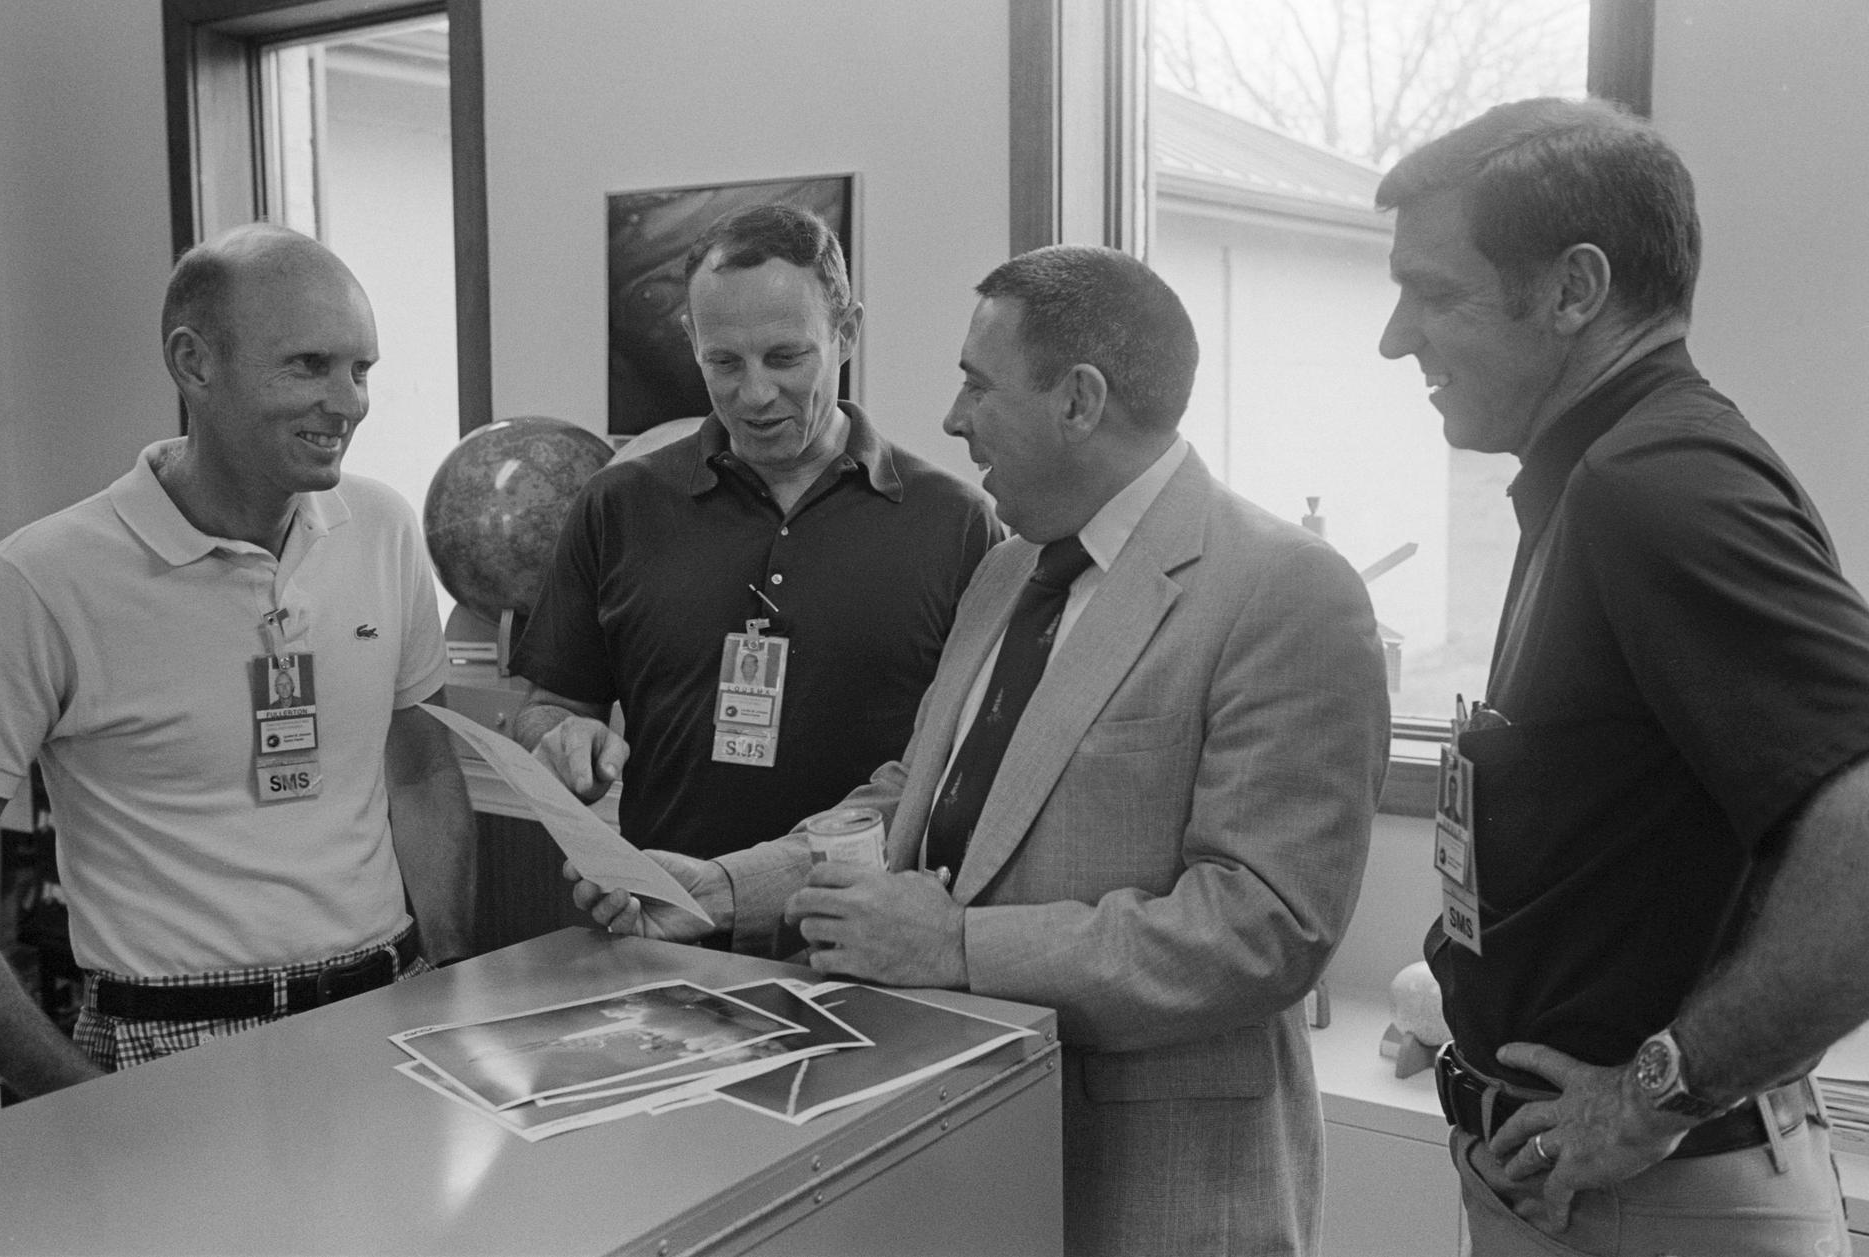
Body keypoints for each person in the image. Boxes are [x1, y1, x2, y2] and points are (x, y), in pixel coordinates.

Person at [576, 244, 1390, 1256]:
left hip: (1154, 1180)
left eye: (976, 383)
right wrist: (725, 887)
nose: (954, 420)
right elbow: (908, 798)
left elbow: (1263, 929)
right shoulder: (1010, 571)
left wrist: (958, 948)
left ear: (1080, 401)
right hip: (966, 1149)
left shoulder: (1285, 590)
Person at [1377, 97, 1869, 1255]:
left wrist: (1659, 1092)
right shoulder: (1606, 475)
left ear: (1575, 289)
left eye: (1434, 292)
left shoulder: (1658, 482)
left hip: (1659, 1205)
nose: (1398, 339)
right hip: (1586, 1191)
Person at [0, 223, 476, 1099]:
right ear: (194, 364)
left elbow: (418, 766)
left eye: (361, 369)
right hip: (168, 1040)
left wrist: (452, 962)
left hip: (388, 1012)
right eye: (308, 365)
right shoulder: (43, 579)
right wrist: (64, 1091)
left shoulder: (382, 530)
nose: (346, 402)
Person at [511, 204, 1000, 859]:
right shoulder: (617, 504)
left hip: (867, 939)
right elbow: (556, 702)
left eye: (785, 357)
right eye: (724, 362)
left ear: (847, 332)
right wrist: (562, 737)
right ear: (691, 340)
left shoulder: (957, 523)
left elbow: (974, 753)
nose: (755, 394)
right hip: (668, 924)